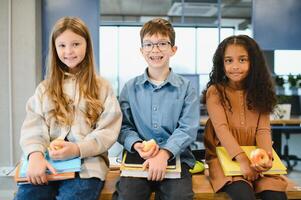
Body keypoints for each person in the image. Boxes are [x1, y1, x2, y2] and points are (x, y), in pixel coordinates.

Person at [14, 17, 122, 200]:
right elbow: (33, 126)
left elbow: (107, 131)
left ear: (87, 45)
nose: (69, 51)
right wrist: (35, 154)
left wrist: (77, 149)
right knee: (28, 196)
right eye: (62, 46)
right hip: (46, 163)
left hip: (87, 166)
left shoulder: (102, 87)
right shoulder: (44, 89)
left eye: (76, 44)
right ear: (55, 49)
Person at [113, 18, 200, 200]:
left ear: (173, 49)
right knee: (128, 195)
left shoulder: (186, 88)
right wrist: (137, 145)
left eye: (162, 43)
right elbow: (123, 127)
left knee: (179, 196)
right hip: (139, 156)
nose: (155, 50)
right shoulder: (130, 88)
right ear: (141, 50)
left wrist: (164, 153)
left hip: (176, 157)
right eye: (149, 44)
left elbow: (188, 128)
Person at [202, 35, 288, 200]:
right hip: (225, 158)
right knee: (243, 195)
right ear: (222, 63)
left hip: (255, 157)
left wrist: (265, 158)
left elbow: (263, 129)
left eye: (242, 60)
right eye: (229, 61)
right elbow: (221, 130)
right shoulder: (215, 92)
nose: (235, 66)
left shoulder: (260, 91)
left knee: (276, 196)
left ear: (253, 63)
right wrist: (242, 160)